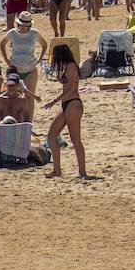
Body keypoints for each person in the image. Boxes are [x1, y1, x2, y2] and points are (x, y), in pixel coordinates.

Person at [43, 42, 86, 179]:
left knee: (75, 140)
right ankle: (57, 169)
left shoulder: (72, 66)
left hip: (73, 103)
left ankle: (82, 172)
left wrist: (54, 100)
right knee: (51, 136)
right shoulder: (64, 67)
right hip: (65, 104)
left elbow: (72, 89)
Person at [0, 13, 47, 119]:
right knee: (13, 96)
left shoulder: (34, 33)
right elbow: (2, 44)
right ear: (18, 24)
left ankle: (29, 122)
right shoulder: (12, 33)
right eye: (22, 25)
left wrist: (39, 59)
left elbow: (44, 45)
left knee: (29, 97)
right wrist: (6, 59)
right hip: (15, 69)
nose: (24, 27)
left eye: (26, 26)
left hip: (30, 69)